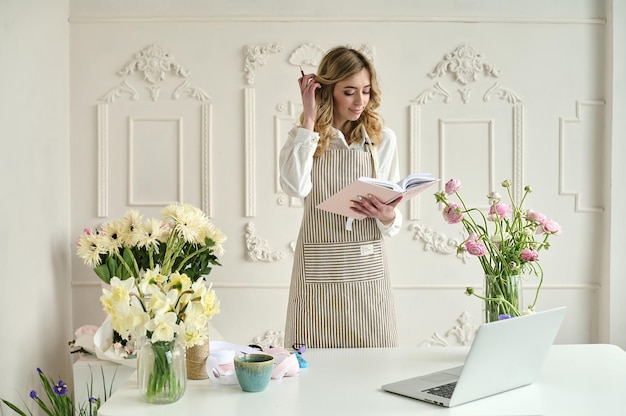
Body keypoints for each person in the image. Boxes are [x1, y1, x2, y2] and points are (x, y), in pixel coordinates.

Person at [279, 46, 402, 348]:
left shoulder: (381, 138)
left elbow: (393, 221)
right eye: (349, 92)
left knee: (376, 368)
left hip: (367, 273)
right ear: (328, 91)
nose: (360, 101)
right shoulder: (304, 138)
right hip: (318, 275)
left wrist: (388, 215)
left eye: (366, 91)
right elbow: (295, 187)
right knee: (313, 371)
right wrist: (310, 119)